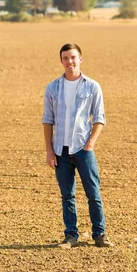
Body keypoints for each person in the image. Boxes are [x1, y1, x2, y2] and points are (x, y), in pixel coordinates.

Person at [42, 43, 113, 248]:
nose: (69, 61)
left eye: (73, 57)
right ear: (61, 61)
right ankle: (71, 236)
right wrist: (49, 150)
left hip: (83, 149)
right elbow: (48, 120)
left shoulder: (92, 86)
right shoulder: (52, 88)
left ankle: (100, 235)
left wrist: (90, 143)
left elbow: (99, 118)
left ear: (80, 59)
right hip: (60, 151)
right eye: (65, 58)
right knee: (67, 195)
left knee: (93, 193)